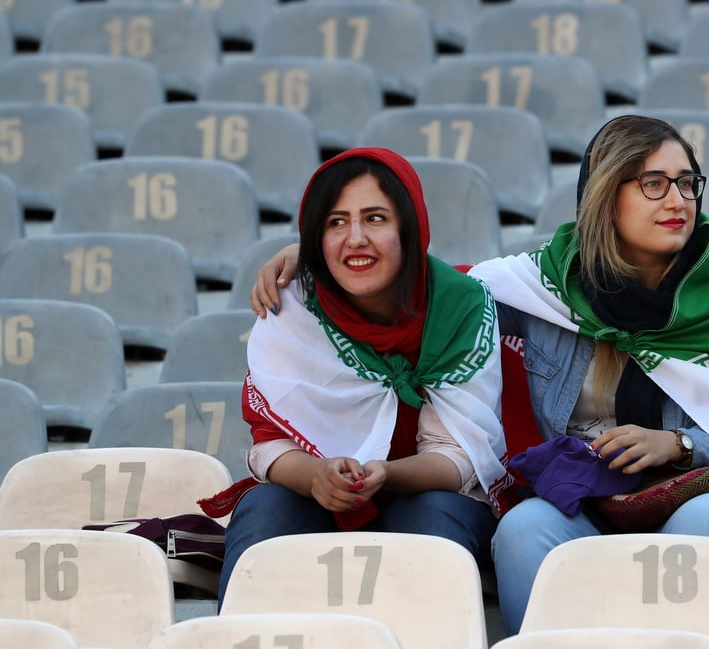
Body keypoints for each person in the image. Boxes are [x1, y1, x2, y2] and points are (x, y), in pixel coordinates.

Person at [250, 116, 709, 635]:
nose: (677, 200)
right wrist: (324, 258)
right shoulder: (544, 287)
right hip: (585, 495)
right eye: (653, 184)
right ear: (605, 195)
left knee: (706, 522)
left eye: (687, 183)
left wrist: (679, 444)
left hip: (705, 490)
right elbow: (433, 288)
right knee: (523, 527)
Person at [209, 147, 514, 606]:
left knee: (431, 514)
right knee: (266, 507)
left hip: (429, 492)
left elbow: (457, 459)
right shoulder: (293, 303)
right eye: (336, 222)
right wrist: (317, 475)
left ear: (410, 228)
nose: (355, 239)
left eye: (375, 218)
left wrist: (385, 473)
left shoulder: (460, 305)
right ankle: (239, 634)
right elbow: (269, 444)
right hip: (320, 491)